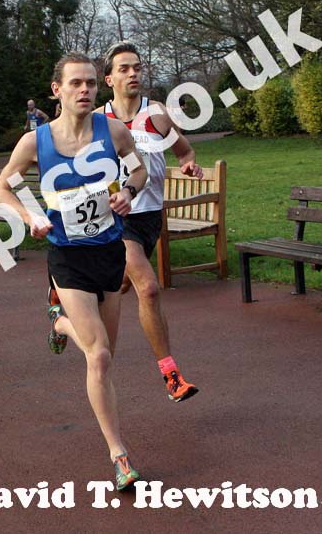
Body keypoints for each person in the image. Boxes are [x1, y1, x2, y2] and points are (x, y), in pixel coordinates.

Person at [0, 53, 148, 491]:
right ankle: (119, 455)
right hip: (66, 256)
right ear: (56, 90)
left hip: (108, 252)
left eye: (90, 84)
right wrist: (28, 216)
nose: (84, 90)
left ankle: (58, 322)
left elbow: (137, 168)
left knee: (106, 357)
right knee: (97, 355)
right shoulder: (35, 141)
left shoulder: (112, 130)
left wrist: (128, 193)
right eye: (75, 84)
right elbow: (4, 186)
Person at [96, 41, 201, 403]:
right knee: (149, 287)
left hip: (151, 216)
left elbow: (184, 150)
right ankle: (171, 375)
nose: (133, 74)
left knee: (118, 286)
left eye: (137, 67)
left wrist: (187, 163)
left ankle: (63, 299)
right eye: (124, 69)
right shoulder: (97, 120)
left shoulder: (156, 115)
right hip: (116, 216)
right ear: (109, 78)